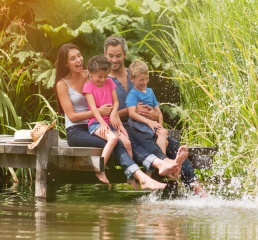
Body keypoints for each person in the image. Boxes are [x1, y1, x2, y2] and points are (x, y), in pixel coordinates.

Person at [54, 43, 178, 190]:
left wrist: (117, 116)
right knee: (117, 142)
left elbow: (108, 97)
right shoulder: (62, 84)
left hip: (99, 124)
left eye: (79, 56)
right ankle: (141, 177)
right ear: (66, 63)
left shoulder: (91, 75)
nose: (79, 60)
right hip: (77, 131)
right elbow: (73, 116)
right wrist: (99, 112)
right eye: (73, 58)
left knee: (127, 140)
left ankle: (158, 164)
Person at [104, 36, 207, 196]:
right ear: (105, 55)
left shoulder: (135, 74)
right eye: (110, 56)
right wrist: (130, 111)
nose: (114, 60)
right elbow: (105, 114)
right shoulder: (103, 81)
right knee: (147, 143)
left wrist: (153, 114)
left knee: (171, 143)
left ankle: (195, 186)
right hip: (122, 128)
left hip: (143, 124)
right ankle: (167, 165)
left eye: (118, 55)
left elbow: (148, 102)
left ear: (124, 54)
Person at [83, 55, 131, 183]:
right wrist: (103, 124)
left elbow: (116, 102)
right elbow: (93, 108)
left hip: (110, 121)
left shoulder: (110, 82)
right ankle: (100, 169)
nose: (103, 79)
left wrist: (113, 114)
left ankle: (130, 174)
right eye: (99, 76)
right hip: (96, 123)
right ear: (91, 73)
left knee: (127, 143)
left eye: (105, 76)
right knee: (113, 138)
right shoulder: (88, 87)